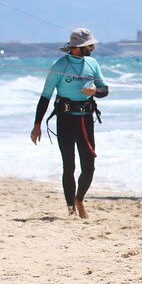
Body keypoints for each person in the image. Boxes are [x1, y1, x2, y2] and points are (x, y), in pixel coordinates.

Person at [30, 28, 109, 219]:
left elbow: (105, 89)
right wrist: (37, 125)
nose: (92, 47)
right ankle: (70, 208)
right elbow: (45, 97)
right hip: (65, 121)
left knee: (89, 166)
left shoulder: (92, 63)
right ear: (77, 47)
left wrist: (95, 93)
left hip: (86, 119)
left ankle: (79, 199)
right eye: (88, 45)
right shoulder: (58, 66)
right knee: (69, 166)